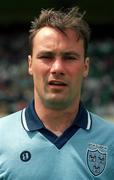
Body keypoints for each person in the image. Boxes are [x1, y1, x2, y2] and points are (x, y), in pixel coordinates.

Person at [0, 6, 114, 180]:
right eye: (46, 56)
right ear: (30, 64)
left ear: (86, 66)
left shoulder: (110, 139)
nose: (57, 68)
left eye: (69, 57)